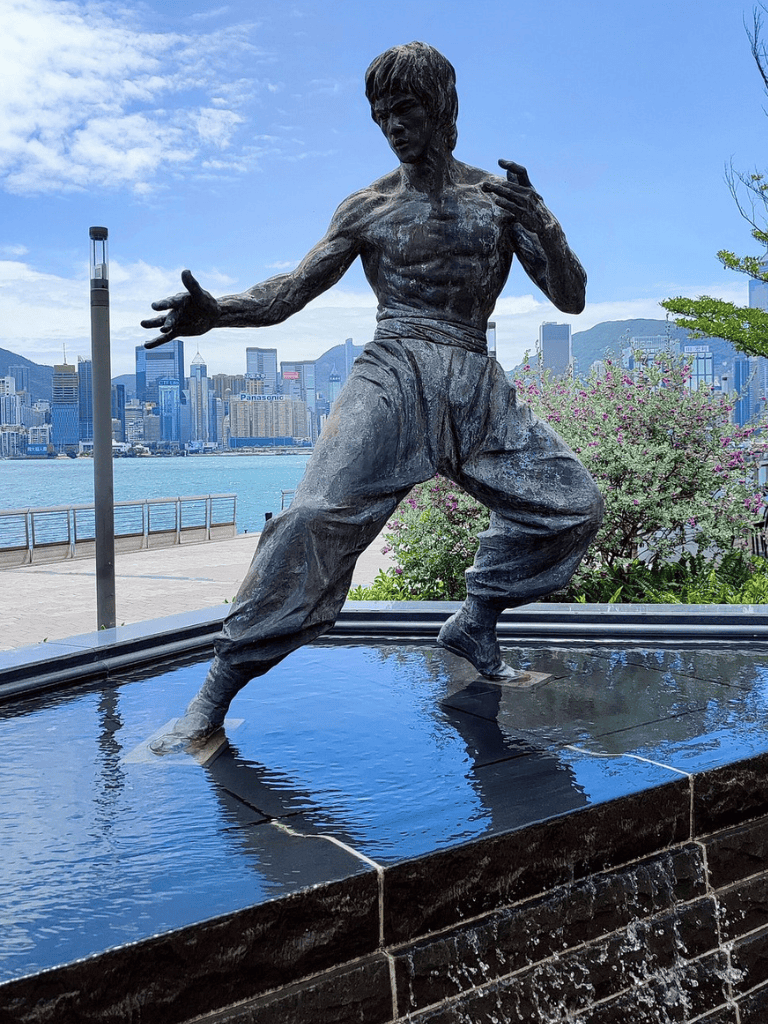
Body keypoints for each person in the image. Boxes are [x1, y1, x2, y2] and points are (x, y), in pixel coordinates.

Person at [142, 42, 603, 751]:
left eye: (407, 109)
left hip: (474, 377)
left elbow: (570, 299)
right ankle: (213, 695)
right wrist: (218, 312)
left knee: (573, 508)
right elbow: (288, 293)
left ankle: (475, 618)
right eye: (382, 114)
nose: (393, 125)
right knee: (314, 518)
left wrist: (545, 221)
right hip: (392, 373)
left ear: (443, 109)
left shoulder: (501, 204)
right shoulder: (368, 208)